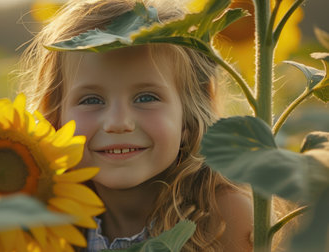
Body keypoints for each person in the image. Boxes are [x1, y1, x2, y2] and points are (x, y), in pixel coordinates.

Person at [18, 0, 254, 251]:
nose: (118, 123)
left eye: (146, 98)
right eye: (91, 100)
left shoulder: (223, 218)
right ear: (56, 117)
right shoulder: (45, 217)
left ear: (188, 117)